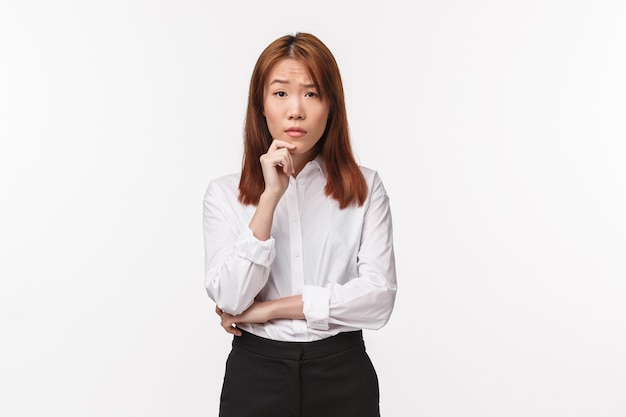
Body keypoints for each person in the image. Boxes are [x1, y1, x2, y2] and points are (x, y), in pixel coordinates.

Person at [202, 32, 397, 417]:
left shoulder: (365, 187)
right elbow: (230, 298)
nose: (296, 110)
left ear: (331, 106)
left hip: (342, 373)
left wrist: (269, 310)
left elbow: (378, 299)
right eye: (280, 94)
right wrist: (270, 197)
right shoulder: (223, 194)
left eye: (311, 93)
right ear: (260, 105)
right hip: (255, 375)